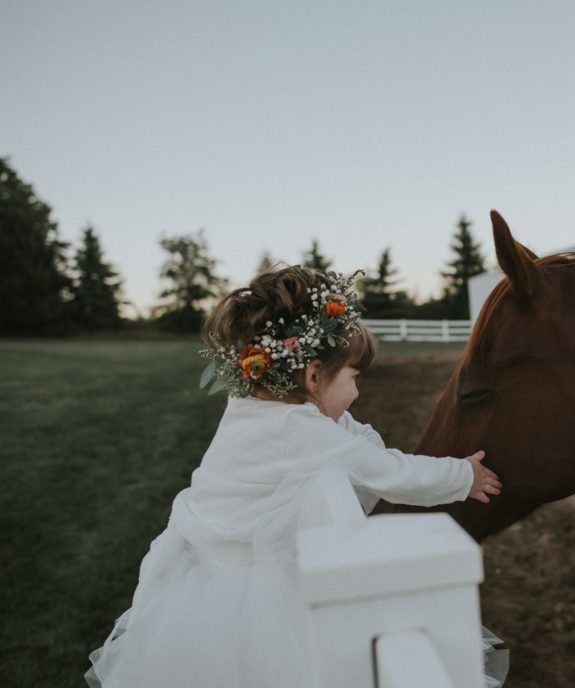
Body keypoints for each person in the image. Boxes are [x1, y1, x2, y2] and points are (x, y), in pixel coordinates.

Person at [84, 265, 508, 688]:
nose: (358, 391)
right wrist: (461, 476)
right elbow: (390, 472)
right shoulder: (300, 431)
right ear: (312, 376)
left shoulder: (250, 408)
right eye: (354, 377)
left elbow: (344, 433)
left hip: (200, 581)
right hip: (262, 595)